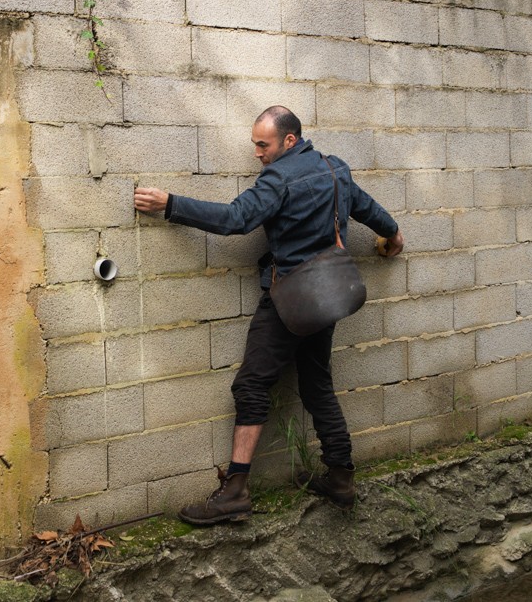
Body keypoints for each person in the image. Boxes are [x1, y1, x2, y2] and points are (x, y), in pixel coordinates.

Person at [133, 106, 403, 525]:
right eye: (255, 144)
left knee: (251, 385)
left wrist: (171, 204)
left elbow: (235, 219)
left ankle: (235, 492)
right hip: (329, 294)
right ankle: (341, 478)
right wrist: (393, 233)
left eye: (263, 144)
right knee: (317, 385)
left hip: (289, 298)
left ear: (289, 141)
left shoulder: (278, 179)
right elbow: (368, 209)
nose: (257, 153)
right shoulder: (334, 168)